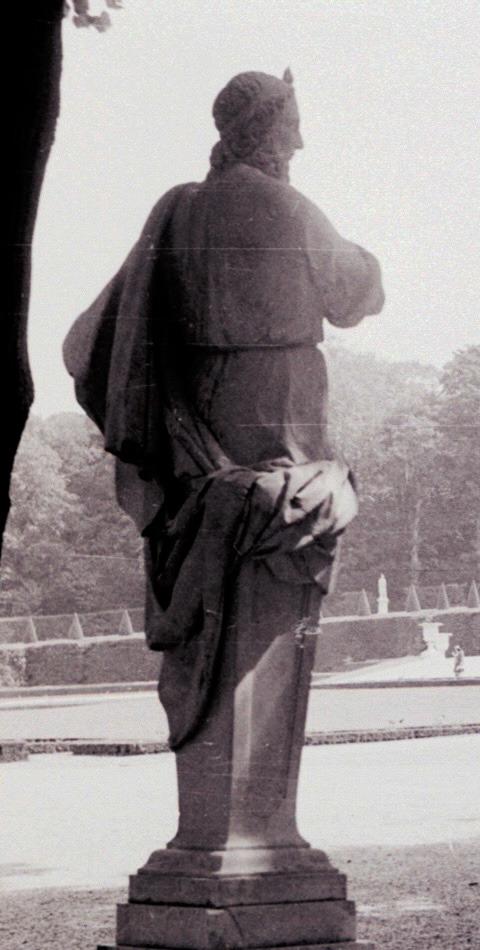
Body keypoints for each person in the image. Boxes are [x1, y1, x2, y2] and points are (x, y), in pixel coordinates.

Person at [64, 71, 383, 873]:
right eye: (294, 126)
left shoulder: (176, 209)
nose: (301, 143)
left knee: (219, 591)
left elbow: (84, 342)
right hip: (279, 426)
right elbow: (351, 293)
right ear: (265, 129)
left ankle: (216, 830)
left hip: (195, 446)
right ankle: (258, 836)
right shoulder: (283, 206)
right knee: (274, 573)